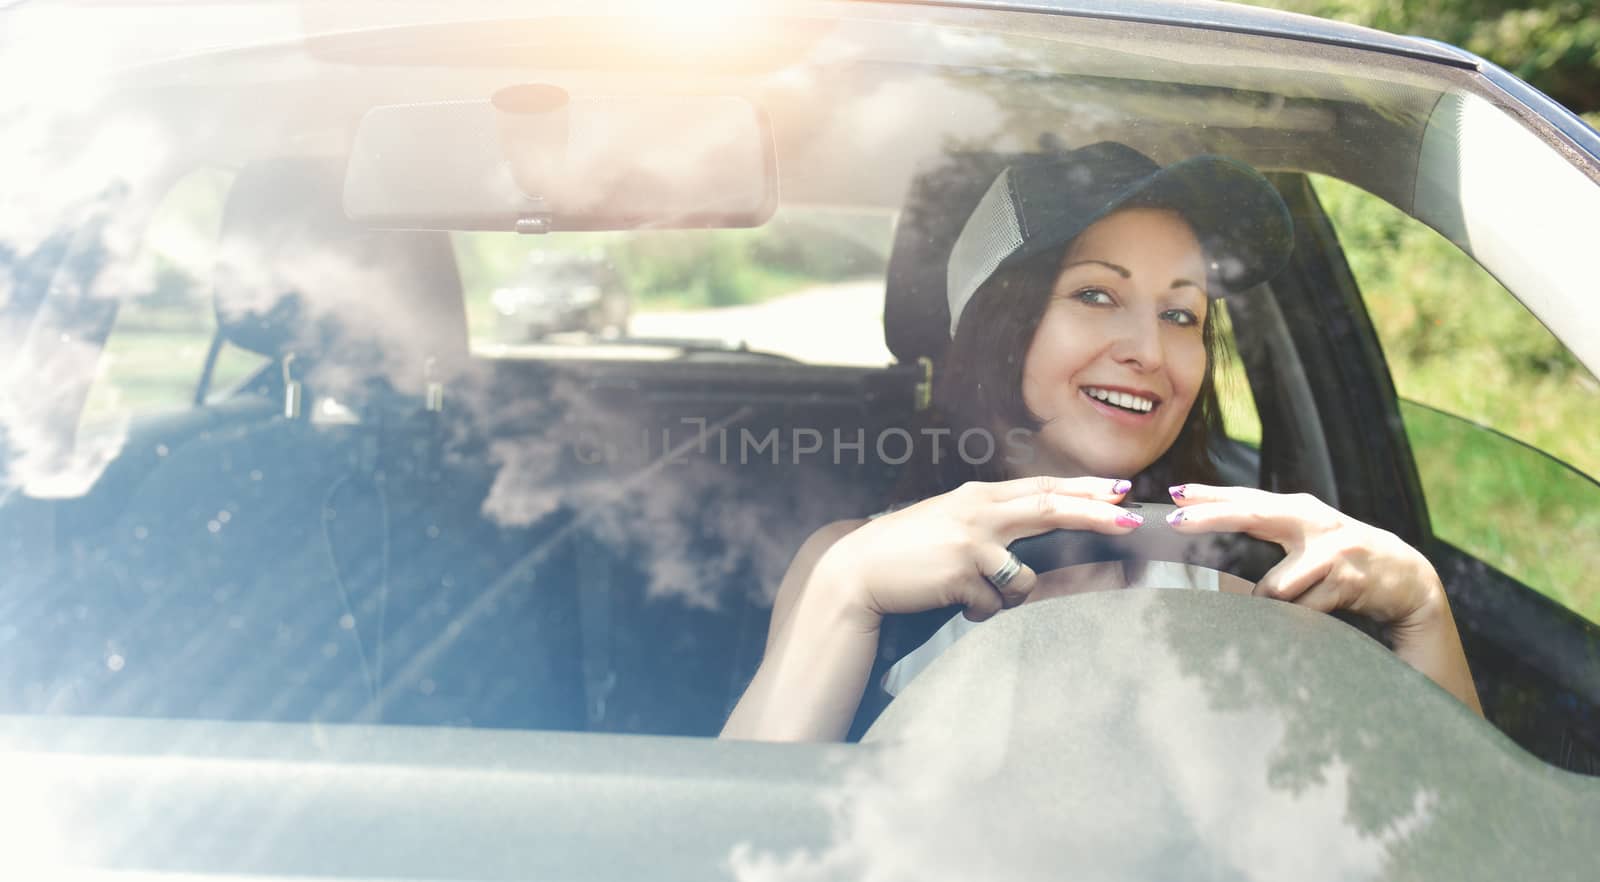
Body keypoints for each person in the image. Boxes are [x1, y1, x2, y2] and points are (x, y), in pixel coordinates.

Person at [721, 142, 1482, 742]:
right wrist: (846, 591)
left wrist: (1421, 609)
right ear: (994, 322)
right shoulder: (851, 566)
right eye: (1096, 294)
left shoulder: (1244, 593)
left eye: (1182, 314)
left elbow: (1466, 845)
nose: (1149, 351)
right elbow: (728, 845)